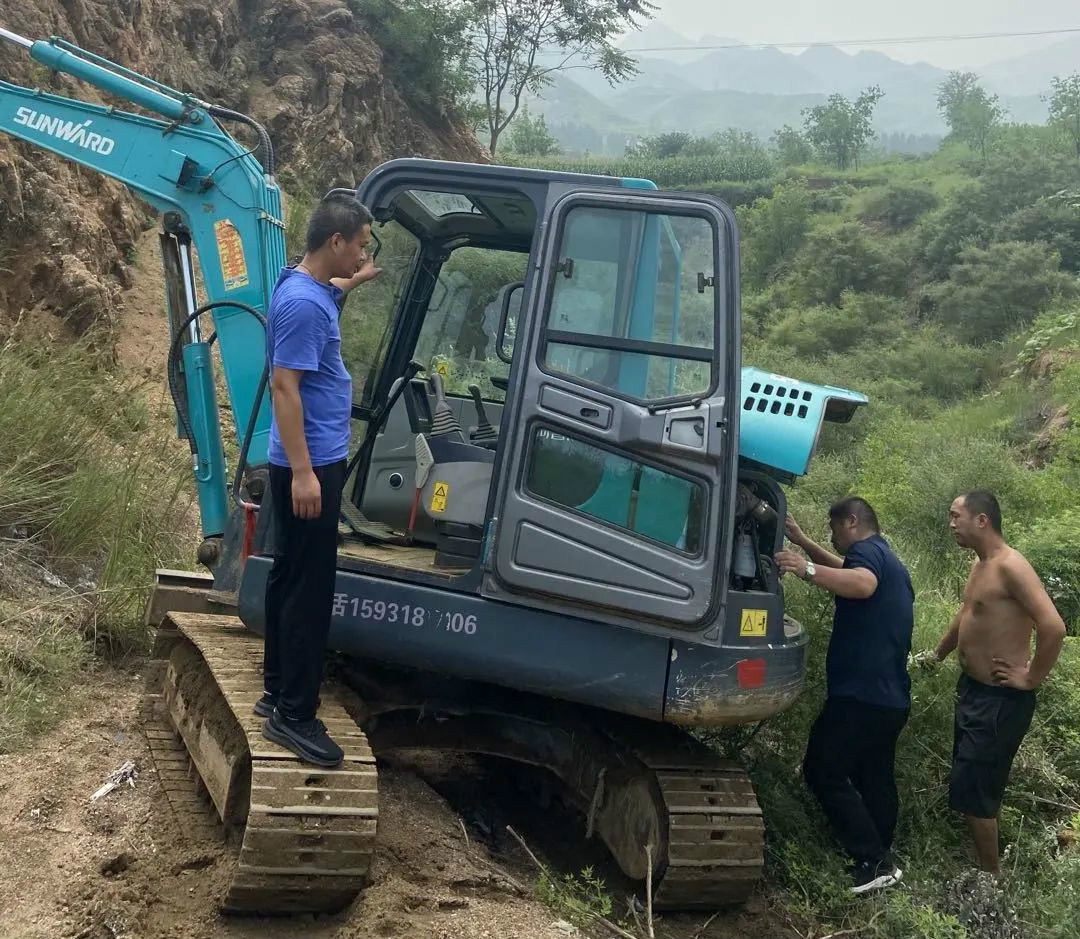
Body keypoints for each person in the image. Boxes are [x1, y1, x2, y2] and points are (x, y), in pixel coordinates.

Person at [257, 193, 381, 768]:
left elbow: (325, 293)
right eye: (360, 242)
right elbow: (286, 388)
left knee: (288, 575)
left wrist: (353, 282)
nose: (363, 250)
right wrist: (306, 474)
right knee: (310, 592)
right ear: (337, 241)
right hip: (310, 466)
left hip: (302, 461)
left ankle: (275, 690)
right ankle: (295, 715)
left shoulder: (304, 286)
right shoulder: (305, 307)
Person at [916, 490, 1065, 874]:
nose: (951, 524)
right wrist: (938, 655)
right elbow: (967, 615)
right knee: (970, 784)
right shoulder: (982, 564)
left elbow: (1054, 627)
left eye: (956, 516)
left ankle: (990, 879)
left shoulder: (1011, 566)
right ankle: (983, 864)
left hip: (1000, 700)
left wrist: (1030, 677)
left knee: (975, 793)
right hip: (973, 691)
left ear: (982, 520)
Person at [777, 497, 914, 894]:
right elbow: (847, 572)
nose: (834, 537)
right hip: (888, 698)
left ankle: (872, 860)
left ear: (851, 522)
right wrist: (804, 543)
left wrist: (804, 568)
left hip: (861, 695)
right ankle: (881, 853)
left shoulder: (867, 555)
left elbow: (860, 582)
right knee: (874, 776)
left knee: (823, 769)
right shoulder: (886, 558)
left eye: (834, 529)